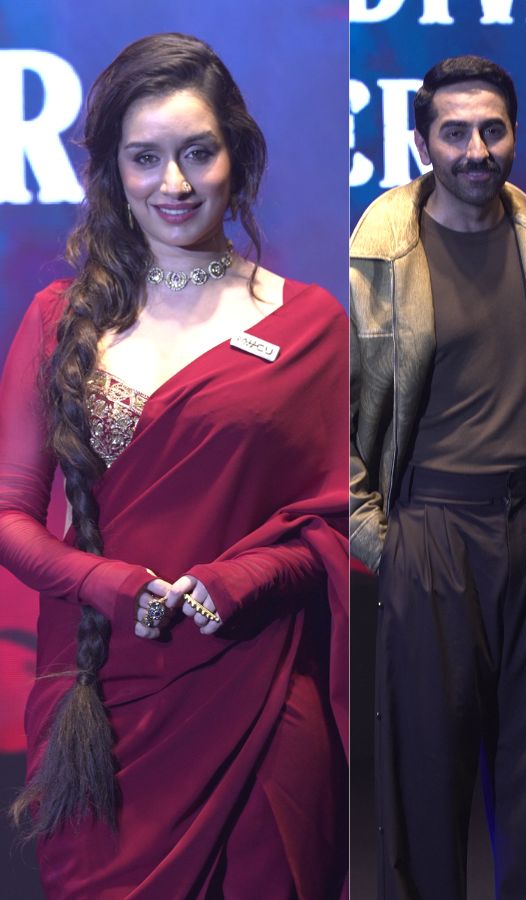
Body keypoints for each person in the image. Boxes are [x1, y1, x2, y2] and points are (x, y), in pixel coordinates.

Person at [0, 34, 348, 897]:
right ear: (113, 172)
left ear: (239, 156)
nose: (176, 183)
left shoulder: (310, 325)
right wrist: (109, 584)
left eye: (198, 152)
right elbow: (8, 515)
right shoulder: (57, 320)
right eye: (146, 158)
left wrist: (245, 579)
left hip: (259, 688)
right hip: (97, 704)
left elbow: (339, 520)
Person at [349, 55, 526, 900]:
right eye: (455, 132)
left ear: (515, 135)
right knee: (426, 788)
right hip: (431, 532)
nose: (476, 149)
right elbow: (332, 422)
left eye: (492, 130)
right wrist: (380, 540)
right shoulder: (372, 260)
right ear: (421, 141)